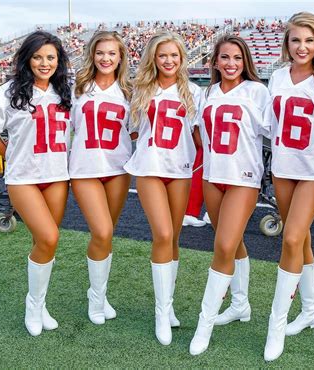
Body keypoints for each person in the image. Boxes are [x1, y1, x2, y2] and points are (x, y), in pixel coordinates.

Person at [261, 12, 314, 362]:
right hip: (283, 168)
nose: (302, 47)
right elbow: (270, 126)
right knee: (304, 241)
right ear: (287, 43)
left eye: (309, 41)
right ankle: (310, 310)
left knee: (293, 237)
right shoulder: (278, 77)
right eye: (296, 40)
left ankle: (276, 325)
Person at [0, 31, 71, 336]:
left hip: (57, 175)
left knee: (43, 242)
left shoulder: (65, 91)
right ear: (26, 59)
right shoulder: (8, 92)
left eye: (50, 57)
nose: (44, 63)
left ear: (59, 61)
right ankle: (33, 305)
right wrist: (9, 153)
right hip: (23, 177)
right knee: (48, 238)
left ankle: (41, 304)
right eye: (37, 57)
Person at [189, 34, 271, 356]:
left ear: (245, 61)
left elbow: (275, 132)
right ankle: (240, 304)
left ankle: (203, 324)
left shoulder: (257, 91)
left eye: (237, 58)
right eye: (225, 57)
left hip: (243, 179)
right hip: (213, 177)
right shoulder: (206, 93)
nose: (231, 64)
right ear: (215, 62)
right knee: (232, 242)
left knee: (222, 245)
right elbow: (198, 130)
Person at [124, 31, 204, 345]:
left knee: (175, 238)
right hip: (150, 169)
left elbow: (199, 137)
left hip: (181, 170)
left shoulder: (194, 92)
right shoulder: (141, 90)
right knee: (163, 235)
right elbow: (131, 132)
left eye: (174, 55)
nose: (168, 61)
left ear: (182, 58)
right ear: (153, 59)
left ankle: (168, 307)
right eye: (162, 55)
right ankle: (161, 313)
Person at [69, 31, 133, 325]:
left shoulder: (130, 91)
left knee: (108, 235)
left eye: (112, 53)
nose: (106, 58)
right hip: (85, 169)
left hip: (118, 169)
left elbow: (134, 132)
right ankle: (95, 299)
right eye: (100, 53)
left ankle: (100, 293)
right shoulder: (78, 87)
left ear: (120, 57)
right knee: (102, 232)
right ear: (92, 55)